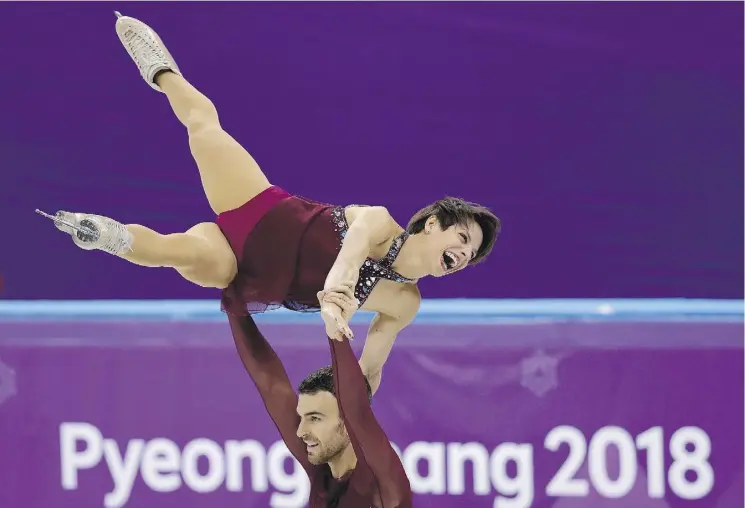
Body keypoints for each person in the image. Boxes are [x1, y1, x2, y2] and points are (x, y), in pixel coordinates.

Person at [38, 13, 500, 392]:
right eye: (462, 237)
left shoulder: (405, 303)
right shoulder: (379, 222)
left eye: (470, 253)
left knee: (177, 253)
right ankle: (160, 70)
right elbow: (348, 259)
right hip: (261, 211)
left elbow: (370, 368)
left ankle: (99, 233)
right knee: (204, 127)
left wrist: (352, 413)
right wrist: (337, 296)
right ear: (433, 223)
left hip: (250, 273)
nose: (462, 254)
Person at [235, 315, 411, 508]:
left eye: (315, 418)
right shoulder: (322, 472)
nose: (300, 431)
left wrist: (335, 332)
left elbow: (357, 410)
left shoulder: (381, 481)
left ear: (348, 423)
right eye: (303, 417)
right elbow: (272, 384)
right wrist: (236, 309)